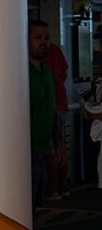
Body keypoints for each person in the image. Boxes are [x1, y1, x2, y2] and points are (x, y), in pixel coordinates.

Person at [28, 19, 59, 230]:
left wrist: (56, 146)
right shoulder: (22, 72)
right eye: (38, 37)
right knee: (25, 209)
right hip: (24, 153)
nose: (43, 42)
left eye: (46, 37)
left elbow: (51, 112)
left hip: (41, 150)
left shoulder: (47, 71)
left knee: (35, 207)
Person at [45, 39, 69, 199]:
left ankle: (53, 190)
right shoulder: (55, 49)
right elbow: (65, 72)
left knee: (51, 148)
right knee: (60, 146)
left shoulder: (38, 56)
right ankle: (63, 188)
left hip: (51, 104)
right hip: (62, 102)